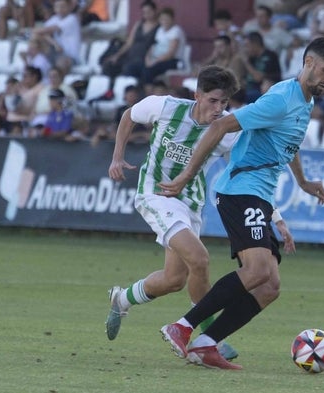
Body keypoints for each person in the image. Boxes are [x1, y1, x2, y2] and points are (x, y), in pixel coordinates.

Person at [158, 37, 324, 370]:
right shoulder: (281, 99)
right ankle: (182, 326)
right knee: (258, 270)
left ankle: (205, 344)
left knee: (270, 286)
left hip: (258, 195)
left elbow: (289, 144)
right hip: (239, 191)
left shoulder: (304, 102)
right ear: (308, 62)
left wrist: (302, 183)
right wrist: (187, 176)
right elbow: (220, 125)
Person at [104, 66, 293, 362]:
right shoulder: (164, 107)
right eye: (213, 101)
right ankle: (203, 336)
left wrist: (276, 217)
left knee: (173, 279)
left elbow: (247, 176)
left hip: (190, 204)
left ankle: (122, 298)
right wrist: (117, 157)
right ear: (197, 96)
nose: (219, 109)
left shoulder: (227, 134)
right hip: (155, 194)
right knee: (200, 258)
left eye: (224, 103)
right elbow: (129, 115)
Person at [101, 0, 159, 80]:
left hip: (144, 57)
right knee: (109, 65)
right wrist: (117, 56)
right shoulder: (139, 24)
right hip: (131, 55)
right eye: (144, 12)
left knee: (129, 69)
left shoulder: (159, 27)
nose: (147, 14)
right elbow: (129, 43)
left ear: (154, 11)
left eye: (149, 11)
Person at [140, 7, 186, 90]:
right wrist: (147, 59)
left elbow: (170, 54)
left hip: (174, 61)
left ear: (172, 19)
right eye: (162, 19)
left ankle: (150, 96)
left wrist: (154, 62)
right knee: (142, 68)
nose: (164, 21)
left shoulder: (176, 31)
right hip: (158, 59)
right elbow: (153, 47)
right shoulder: (160, 30)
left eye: (167, 19)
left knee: (149, 70)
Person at [31, 0, 81, 75]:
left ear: (69, 7)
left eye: (63, 6)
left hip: (69, 56)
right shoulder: (55, 18)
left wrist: (52, 41)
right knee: (36, 38)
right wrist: (55, 43)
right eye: (57, 6)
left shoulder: (72, 19)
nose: (60, 9)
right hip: (56, 52)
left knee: (61, 63)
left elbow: (51, 29)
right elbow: (38, 32)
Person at [239, 31, 282, 104]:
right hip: (248, 89)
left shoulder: (270, 56)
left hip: (261, 90)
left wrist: (246, 62)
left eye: (247, 45)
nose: (246, 49)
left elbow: (258, 78)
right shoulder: (252, 57)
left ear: (255, 44)